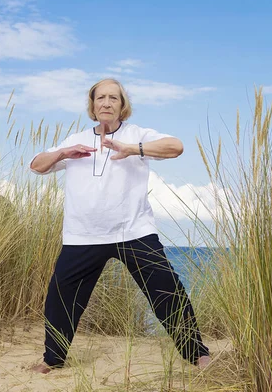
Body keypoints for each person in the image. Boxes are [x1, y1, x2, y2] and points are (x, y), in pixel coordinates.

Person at [29, 79, 211, 374]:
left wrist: (132, 148)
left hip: (134, 231)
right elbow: (37, 165)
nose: (106, 102)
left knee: (167, 290)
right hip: (83, 234)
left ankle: (197, 353)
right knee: (61, 297)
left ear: (122, 104)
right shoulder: (75, 139)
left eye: (114, 97)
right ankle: (53, 358)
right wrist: (63, 153)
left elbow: (175, 147)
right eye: (100, 97)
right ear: (92, 104)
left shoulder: (138, 135)